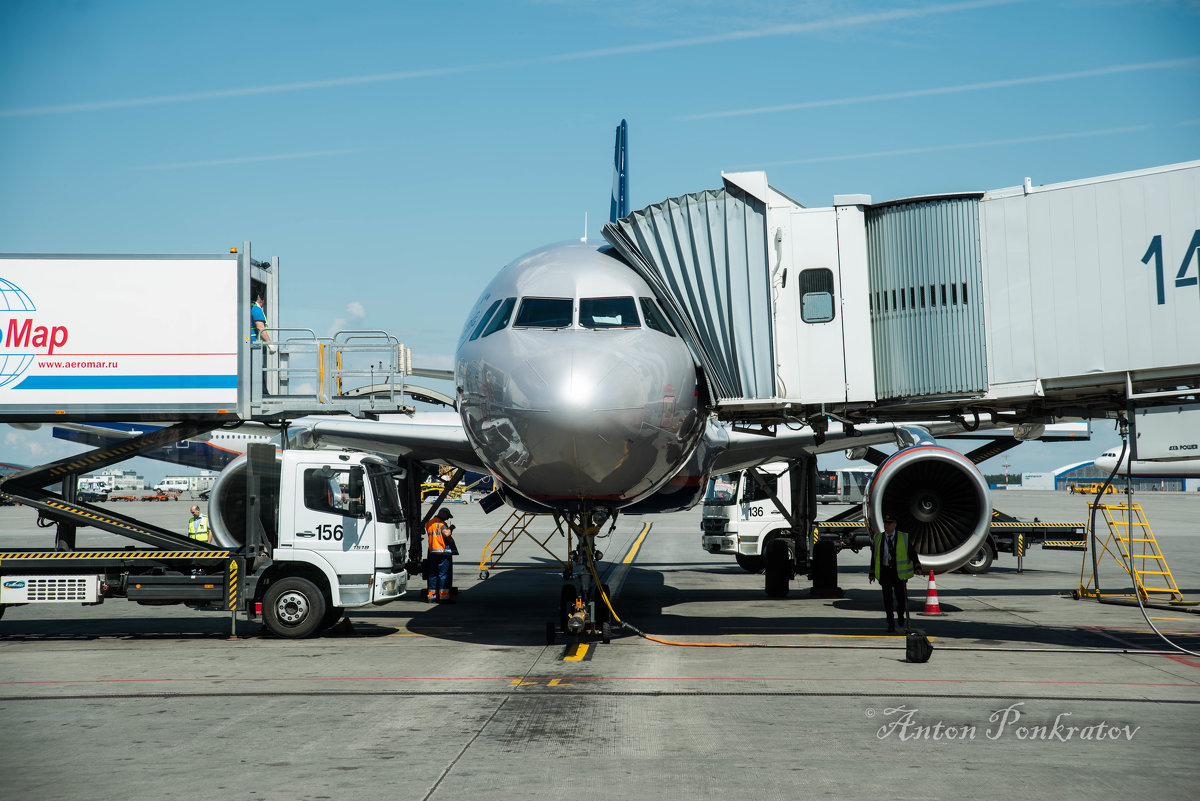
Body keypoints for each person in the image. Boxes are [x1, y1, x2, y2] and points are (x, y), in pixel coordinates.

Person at [868, 513, 923, 632]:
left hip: (898, 574)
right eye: (885, 523)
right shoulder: (878, 538)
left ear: (895, 525)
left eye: (889, 523)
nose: (886, 526)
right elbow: (874, 557)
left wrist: (917, 565)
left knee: (901, 599)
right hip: (885, 572)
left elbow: (912, 553)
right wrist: (872, 572)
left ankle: (900, 616)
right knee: (887, 600)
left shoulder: (903, 537)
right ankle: (890, 623)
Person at [425, 508, 457, 604]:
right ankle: (444, 598)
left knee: (432, 575)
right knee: (443, 575)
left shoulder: (429, 524)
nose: (446, 519)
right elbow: (446, 534)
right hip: (442, 552)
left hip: (432, 553)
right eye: (447, 516)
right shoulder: (440, 524)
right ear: (442, 513)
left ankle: (432, 597)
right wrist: (451, 528)